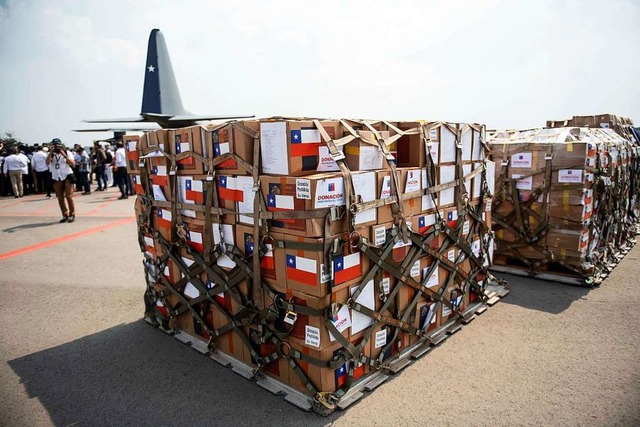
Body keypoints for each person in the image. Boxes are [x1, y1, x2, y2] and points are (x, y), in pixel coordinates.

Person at [46, 138, 76, 223]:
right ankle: (64, 214)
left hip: (66, 175)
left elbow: (72, 163)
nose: (57, 147)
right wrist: (51, 152)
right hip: (56, 177)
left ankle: (72, 214)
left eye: (58, 145)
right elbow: (47, 163)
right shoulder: (51, 154)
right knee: (60, 198)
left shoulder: (67, 152)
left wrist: (64, 155)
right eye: (55, 145)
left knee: (69, 196)